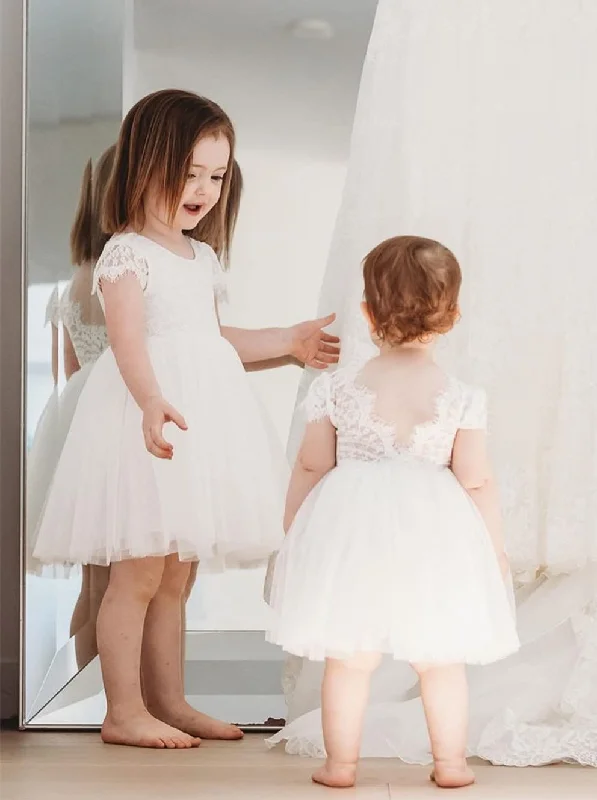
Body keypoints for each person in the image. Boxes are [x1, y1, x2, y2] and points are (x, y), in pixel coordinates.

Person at [33, 88, 339, 749]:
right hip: (146, 423)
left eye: (216, 176)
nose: (202, 189)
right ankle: (123, 710)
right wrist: (148, 401)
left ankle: (170, 700)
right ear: (146, 165)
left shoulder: (198, 258)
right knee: (138, 569)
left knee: (177, 572)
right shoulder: (126, 253)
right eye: (189, 173)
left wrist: (287, 341)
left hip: (194, 425)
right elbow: (129, 343)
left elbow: (212, 340)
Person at [266, 236, 519, 788]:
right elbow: (476, 478)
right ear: (452, 316)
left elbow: (311, 467)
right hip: (435, 532)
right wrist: (493, 548)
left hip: (351, 530)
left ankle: (341, 765)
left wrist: (296, 531)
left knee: (350, 658)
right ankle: (450, 764)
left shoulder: (335, 388)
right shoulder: (461, 394)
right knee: (440, 658)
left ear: (367, 312)